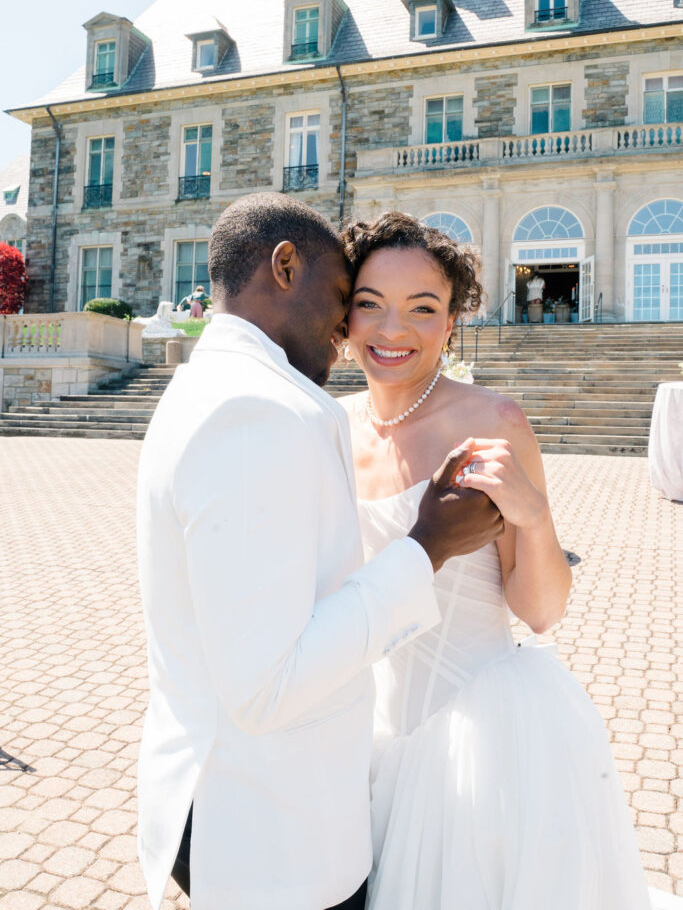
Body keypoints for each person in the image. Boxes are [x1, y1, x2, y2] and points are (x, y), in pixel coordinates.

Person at [136, 193, 504, 910]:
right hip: (270, 830)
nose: (346, 325)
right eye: (344, 296)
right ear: (284, 267)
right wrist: (426, 547)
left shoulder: (215, 385)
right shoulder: (254, 411)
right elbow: (267, 687)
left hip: (242, 805)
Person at [339, 211, 652, 910]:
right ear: (346, 315)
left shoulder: (490, 421)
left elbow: (541, 612)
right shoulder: (329, 426)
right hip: (359, 725)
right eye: (370, 303)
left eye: (423, 308)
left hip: (477, 731)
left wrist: (533, 517)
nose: (393, 329)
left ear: (452, 322)